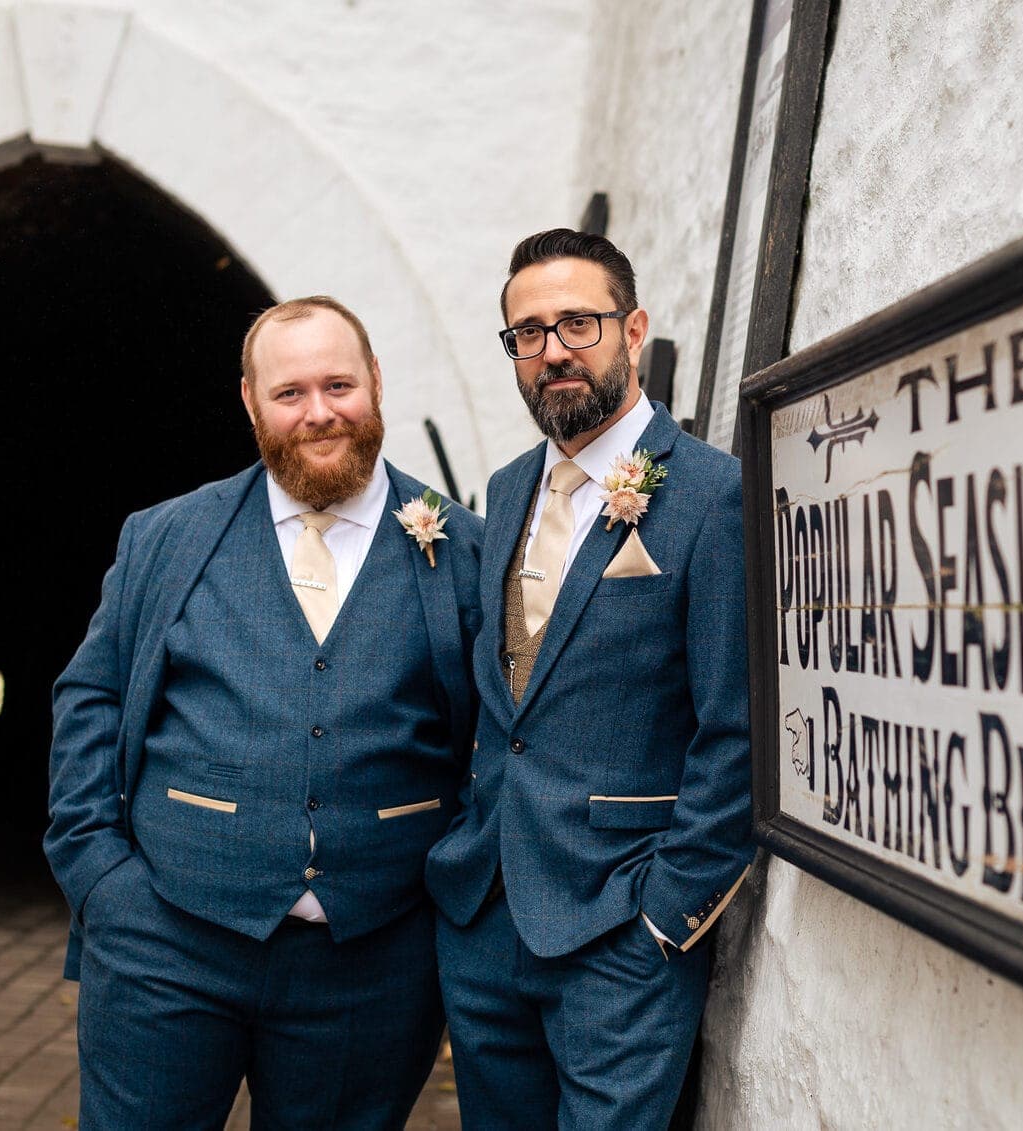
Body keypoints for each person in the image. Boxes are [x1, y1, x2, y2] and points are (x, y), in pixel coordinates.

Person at [44, 296, 481, 1130]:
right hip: (165, 942)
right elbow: (90, 696)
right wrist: (101, 879)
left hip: (374, 962)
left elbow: (496, 744)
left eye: (339, 384)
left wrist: (441, 907)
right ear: (250, 401)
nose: (318, 412)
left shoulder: (463, 549)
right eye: (289, 393)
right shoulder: (167, 536)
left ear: (377, 382)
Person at [426, 229, 752, 1129]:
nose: (554, 349)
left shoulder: (712, 495)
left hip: (620, 933)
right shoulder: (508, 484)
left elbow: (739, 729)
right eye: (528, 333)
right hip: (485, 918)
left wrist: (666, 918)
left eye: (579, 322)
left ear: (634, 327)